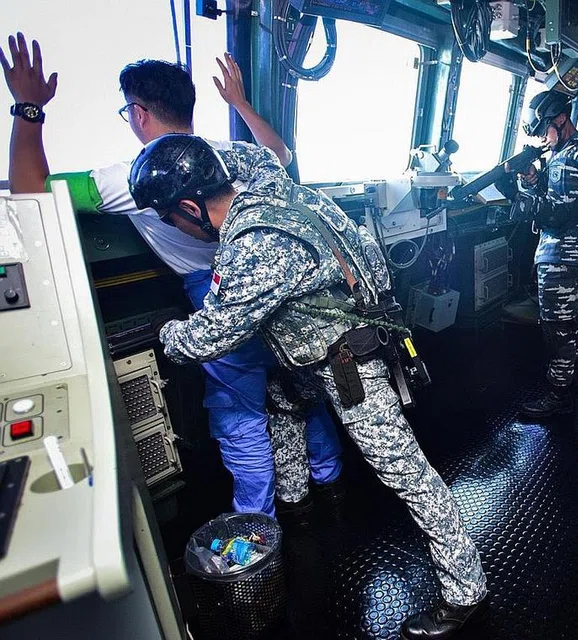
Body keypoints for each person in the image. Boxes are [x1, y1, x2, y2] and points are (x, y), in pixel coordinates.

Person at [131, 134, 488, 639]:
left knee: (408, 474)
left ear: (191, 206)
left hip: (349, 363)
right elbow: (255, 151)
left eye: (171, 218)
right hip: (305, 349)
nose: (174, 228)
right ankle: (296, 512)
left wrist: (164, 334)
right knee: (283, 406)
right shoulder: (263, 179)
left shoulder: (255, 248)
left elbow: (207, 335)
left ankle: (464, 589)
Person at [1, 33, 342, 518]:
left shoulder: (133, 176)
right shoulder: (229, 154)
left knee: (238, 413)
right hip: (278, 283)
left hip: (217, 296)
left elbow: (30, 195)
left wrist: (28, 108)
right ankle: (330, 483)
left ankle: (258, 526)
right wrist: (240, 103)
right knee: (301, 384)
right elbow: (280, 153)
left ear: (138, 113)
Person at [497, 90, 578, 419]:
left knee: (556, 325)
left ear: (560, 119)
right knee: (568, 321)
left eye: (542, 128)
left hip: (562, 252)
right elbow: (558, 200)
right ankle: (568, 379)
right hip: (572, 250)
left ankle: (558, 394)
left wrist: (516, 198)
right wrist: (533, 179)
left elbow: (554, 213)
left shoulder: (568, 158)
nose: (539, 137)